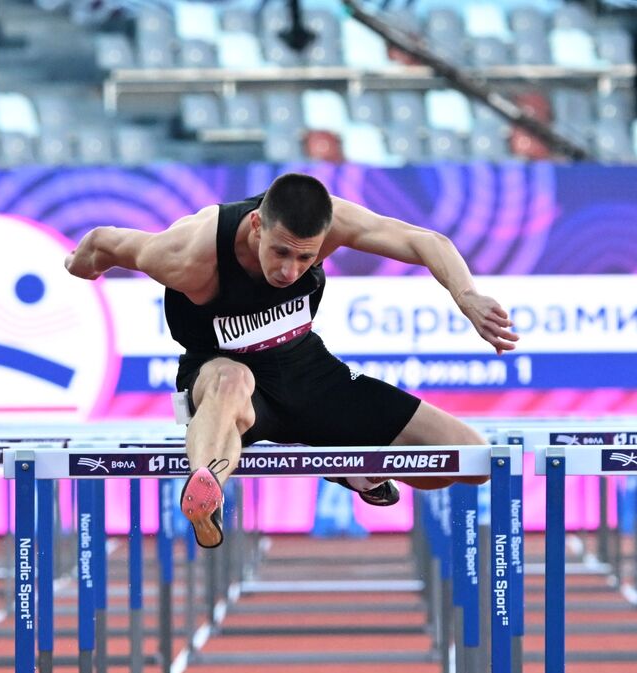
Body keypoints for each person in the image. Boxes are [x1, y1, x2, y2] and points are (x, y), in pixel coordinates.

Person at [66, 172, 516, 548]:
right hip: (227, 383)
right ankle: (207, 493)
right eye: (280, 253)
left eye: (306, 258)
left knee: (471, 460)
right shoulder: (188, 254)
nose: (289, 271)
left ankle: (354, 475)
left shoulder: (334, 221)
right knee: (231, 378)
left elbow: (425, 240)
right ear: (258, 226)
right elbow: (108, 241)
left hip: (310, 373)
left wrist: (468, 297)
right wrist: (80, 262)